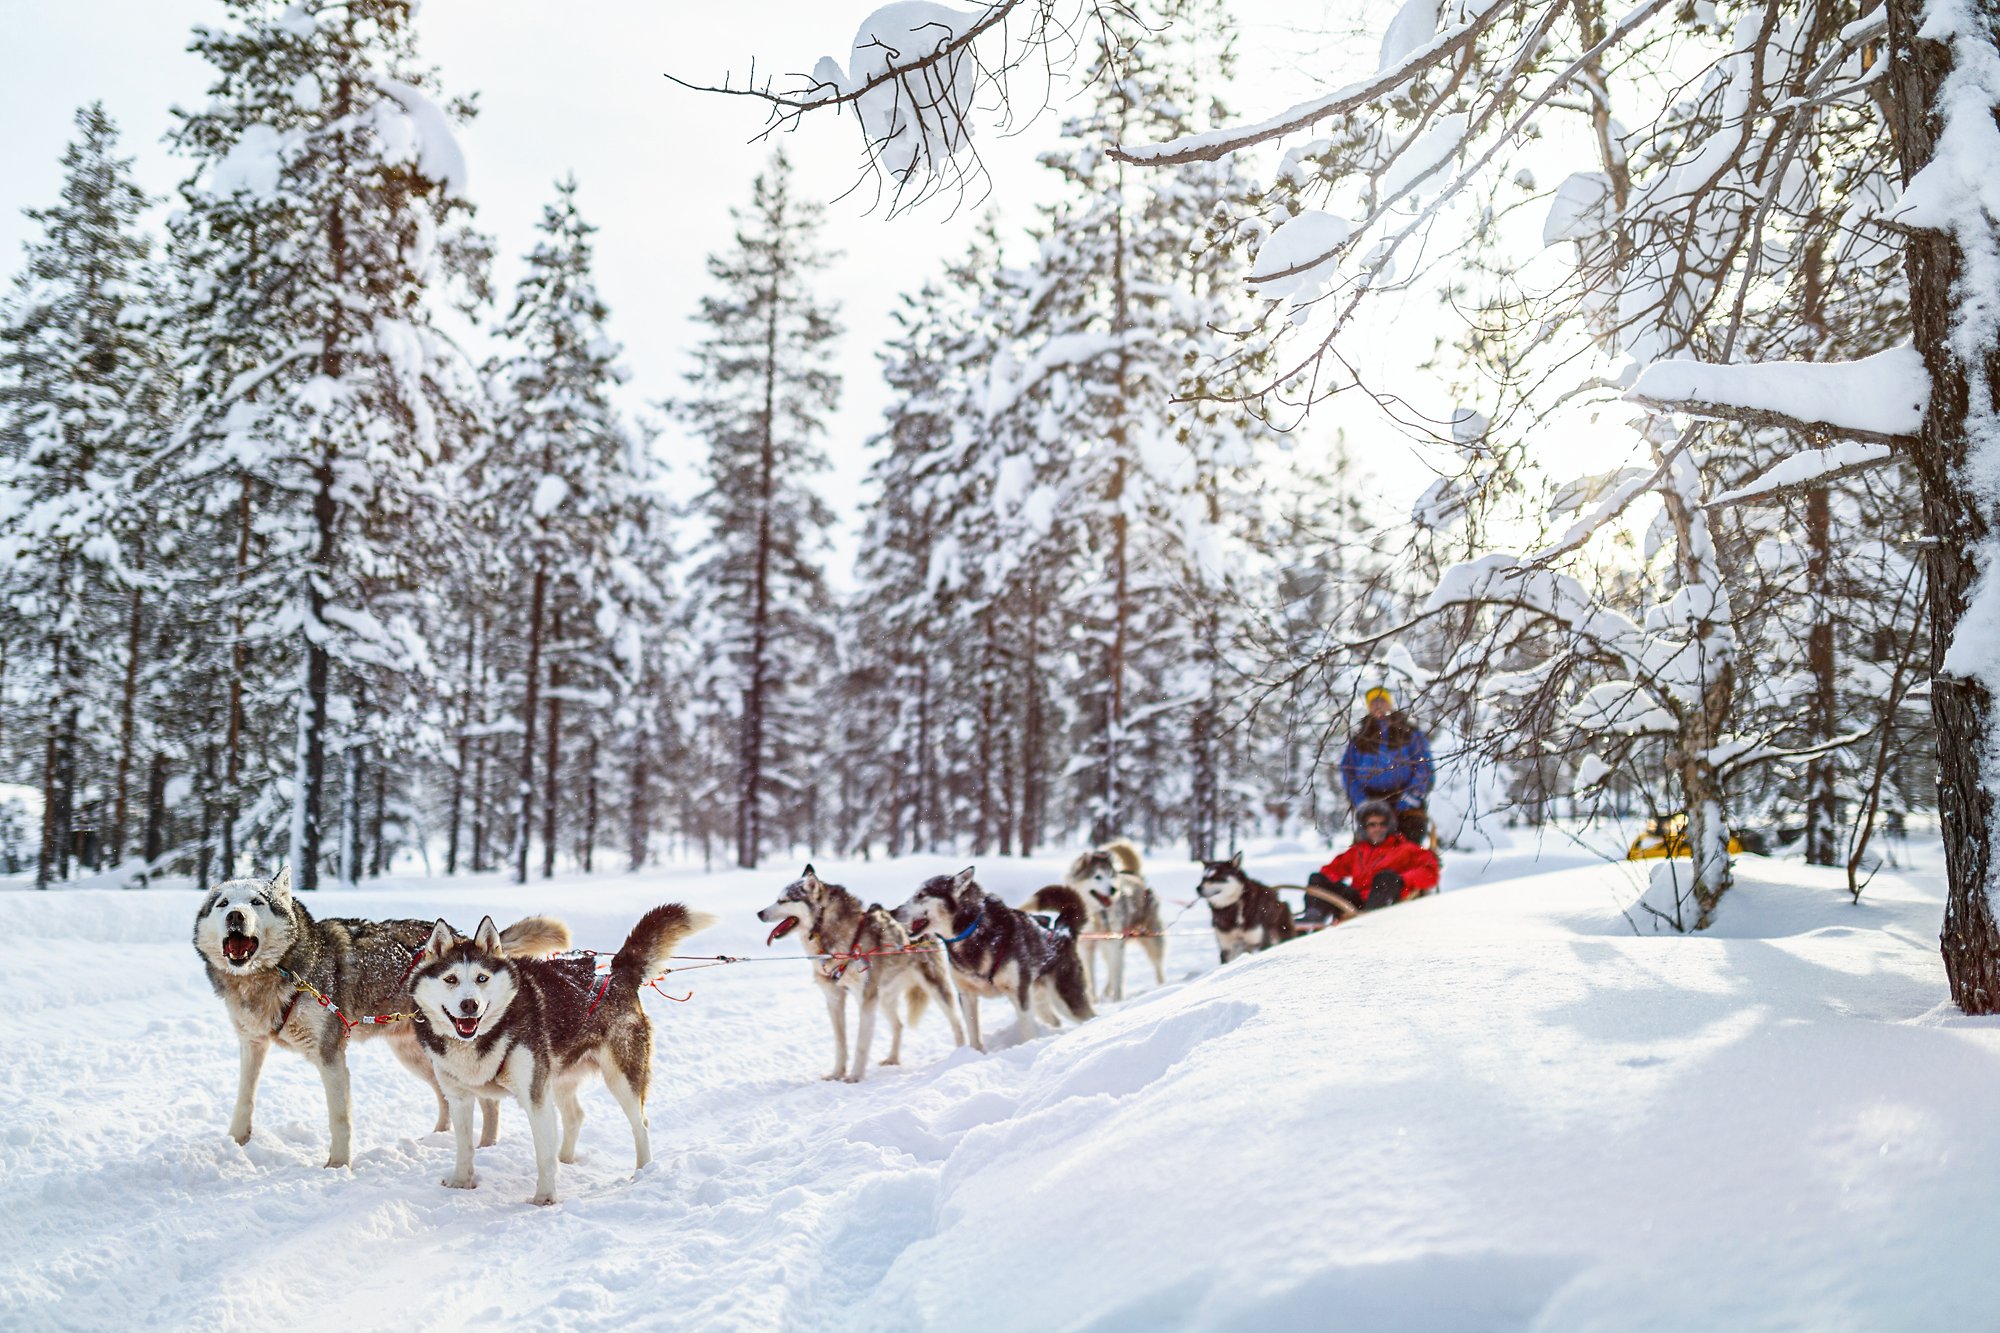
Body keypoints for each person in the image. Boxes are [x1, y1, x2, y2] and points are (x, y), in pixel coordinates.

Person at [1301, 799, 1440, 924]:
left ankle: (1371, 919)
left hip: (1388, 901)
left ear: (1389, 826)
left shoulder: (1405, 848)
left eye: (1382, 824)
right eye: (1372, 824)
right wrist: (1329, 884)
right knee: (1318, 879)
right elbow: (1330, 870)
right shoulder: (1357, 851)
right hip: (1355, 902)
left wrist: (1402, 880)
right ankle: (1313, 919)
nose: (1377, 829)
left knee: (1385, 877)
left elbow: (1430, 871)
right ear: (1364, 828)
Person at [1339, 685, 1434, 846]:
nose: (1378, 705)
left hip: (1407, 805)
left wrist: (1410, 797)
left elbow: (1424, 768)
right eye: (1373, 702)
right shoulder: (1360, 738)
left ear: (1389, 703)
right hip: (1371, 802)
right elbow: (1348, 772)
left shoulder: (1410, 733)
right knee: (1368, 853)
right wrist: (1361, 801)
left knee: (1408, 851)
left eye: (1381, 701)